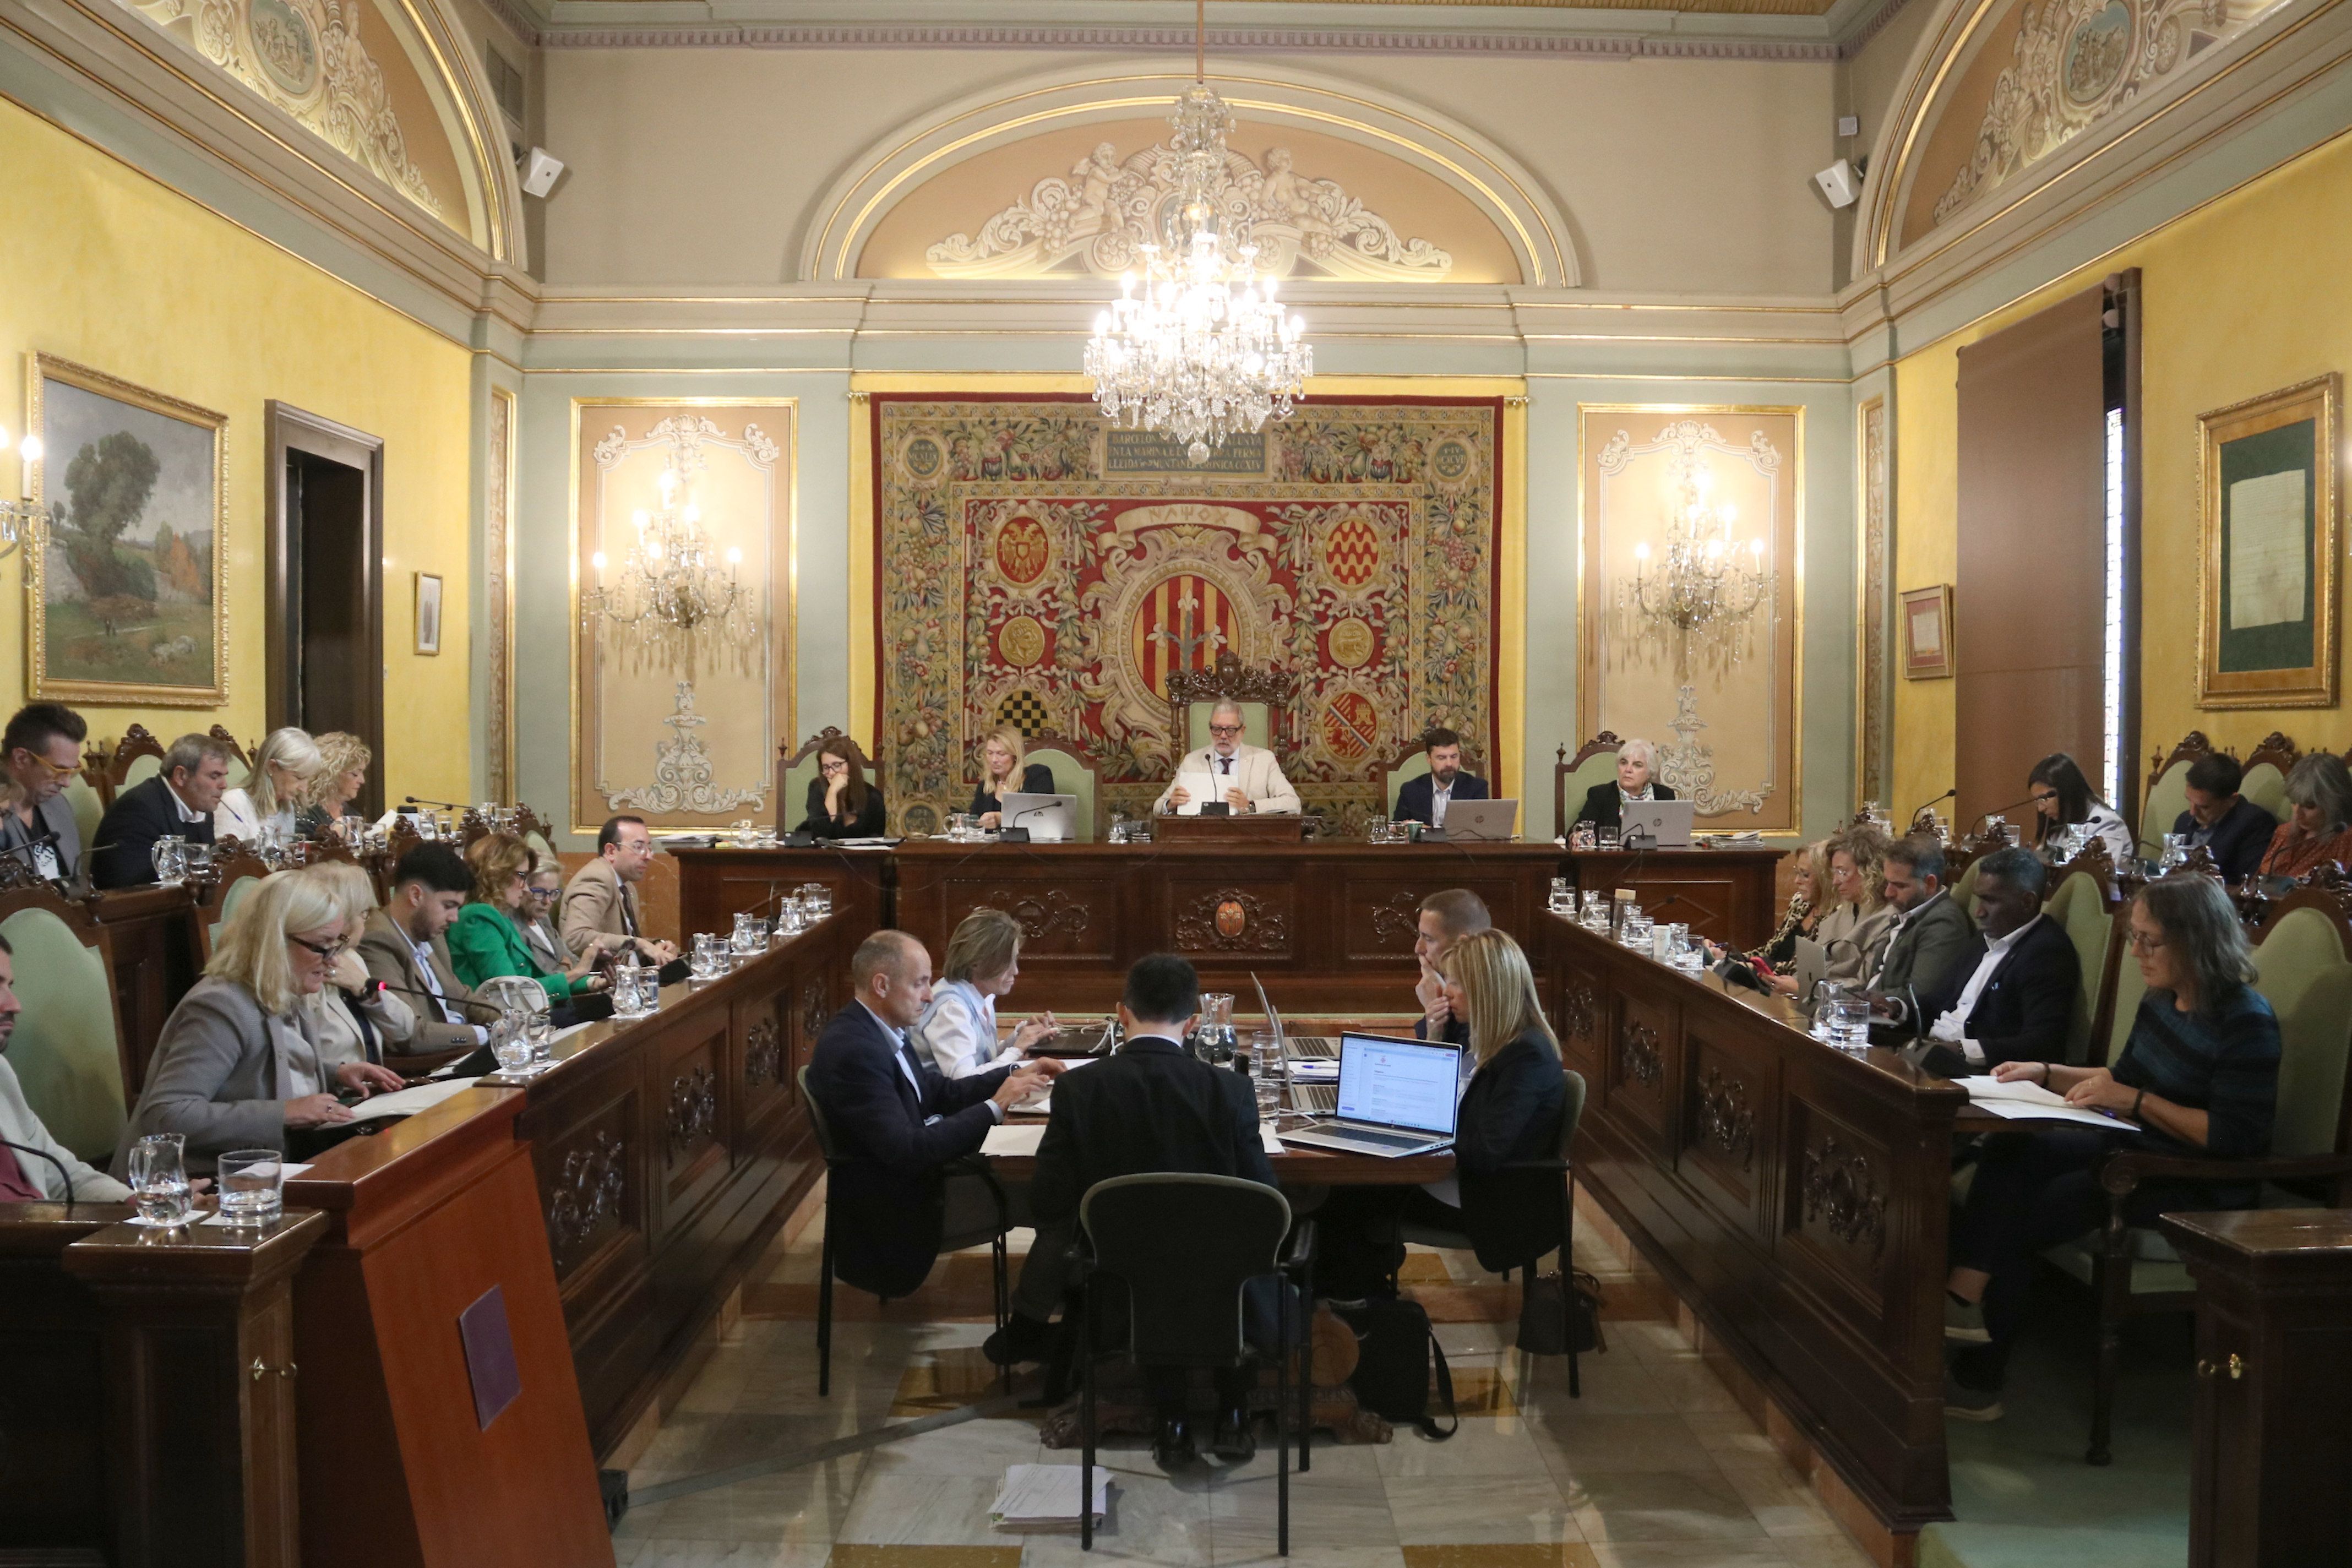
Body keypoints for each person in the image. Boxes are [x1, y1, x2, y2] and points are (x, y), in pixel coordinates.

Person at [1942, 874, 2280, 1419]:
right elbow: (2121, 1078)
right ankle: (1964, 1298)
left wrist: (2136, 1101)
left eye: (2151, 940)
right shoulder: (2163, 999)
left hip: (2198, 1178)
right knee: (2014, 1150)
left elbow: (2233, 1139)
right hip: (2138, 1148)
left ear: (2197, 939)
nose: (2138, 953)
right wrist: (2047, 1071)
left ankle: (1980, 1374)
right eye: (2134, 938)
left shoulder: (2246, 1021)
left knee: (2031, 1206)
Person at [986, 952, 1281, 1466]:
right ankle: (1234, 1415)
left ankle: (1172, 1423)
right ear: (1193, 1023)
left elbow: (1050, 1198)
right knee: (1227, 1256)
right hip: (1220, 1275)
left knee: (1157, 1266)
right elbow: (1261, 1195)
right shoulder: (1230, 1090)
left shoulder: (1079, 1089)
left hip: (1117, 1271)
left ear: (1122, 1014)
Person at [804, 930, 1059, 1301]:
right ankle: (1043, 1315)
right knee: (1055, 1196)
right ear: (882, 984)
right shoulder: (854, 1051)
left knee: (1051, 1174)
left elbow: (938, 1091)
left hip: (928, 1171)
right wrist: (995, 1107)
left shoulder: (879, 1028)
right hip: (905, 1205)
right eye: (921, 983)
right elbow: (908, 1150)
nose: (929, 994)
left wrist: (1012, 1074)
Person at [1318, 930, 1569, 1302]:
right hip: (1455, 1177)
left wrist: (1416, 1132)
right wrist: (1434, 1032)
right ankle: (1353, 1293)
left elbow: (1485, 1152)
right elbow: (1433, 1084)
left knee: (1343, 1201)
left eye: (1455, 984)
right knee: (1340, 1192)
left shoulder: (1527, 1056)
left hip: (1489, 1199)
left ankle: (1352, 1311)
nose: (1446, 992)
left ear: (1488, 991)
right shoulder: (1480, 1030)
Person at [115, 868, 405, 1175]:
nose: (333, 960)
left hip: (272, 1167)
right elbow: (166, 1115)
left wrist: (337, 1073)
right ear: (276, 940)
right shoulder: (220, 1005)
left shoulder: (287, 984)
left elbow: (255, 1072)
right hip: (202, 1183)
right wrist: (283, 1113)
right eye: (322, 946)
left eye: (338, 944)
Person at [1901, 847, 2079, 1075]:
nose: (1978, 912)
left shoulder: (2046, 952)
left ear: (2027, 902)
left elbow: (2044, 1044)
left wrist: (1962, 1049)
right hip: (1932, 1048)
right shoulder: (1983, 940)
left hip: (1980, 1073)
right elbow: (1937, 1001)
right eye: (1979, 899)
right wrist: (1898, 1008)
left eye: (1990, 901)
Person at [0, 933, 132, 1202]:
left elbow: (62, 1175)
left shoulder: (2, 1073)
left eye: (9, 986)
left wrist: (137, 1204)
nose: (15, 1005)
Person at [357, 842, 496, 1054]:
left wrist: (510, 1020)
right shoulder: (377, 941)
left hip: (462, 1051)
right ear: (415, 896)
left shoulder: (430, 933)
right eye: (448, 906)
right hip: (433, 1064)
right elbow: (412, 1034)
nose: (455, 918)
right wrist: (483, 1035)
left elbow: (461, 996)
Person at [451, 834, 617, 1000]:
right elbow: (511, 993)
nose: (525, 889)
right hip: (505, 1021)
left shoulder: (500, 916)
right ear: (498, 873)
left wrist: (594, 983)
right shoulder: (479, 917)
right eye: (522, 877)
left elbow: (535, 980)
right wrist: (579, 971)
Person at [911, 909, 1059, 1078]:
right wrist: (1017, 1050)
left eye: (1015, 959)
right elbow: (965, 1082)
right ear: (976, 962)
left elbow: (982, 1058)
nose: (1015, 971)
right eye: (1006, 962)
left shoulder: (982, 995)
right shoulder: (951, 1009)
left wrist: (1022, 1036)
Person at [302, 862, 417, 1071]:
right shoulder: (306, 970)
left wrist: (365, 988)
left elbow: (405, 1029)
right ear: (341, 917)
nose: (368, 921)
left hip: (375, 1089)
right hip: (336, 1096)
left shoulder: (352, 958)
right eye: (365, 913)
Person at [90, 732, 230, 889]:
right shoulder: (136, 809)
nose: (224, 785)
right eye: (215, 776)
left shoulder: (202, 807)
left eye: (224, 776)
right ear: (181, 776)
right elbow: (126, 887)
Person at [1868, 835, 1978, 1030]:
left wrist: (1865, 1001)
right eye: (1888, 883)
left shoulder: (1944, 923)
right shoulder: (1909, 911)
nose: (1888, 893)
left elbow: (1920, 995)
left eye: (1900, 885)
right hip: (1871, 1016)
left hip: (1897, 1031)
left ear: (1930, 884)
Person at [1707, 839, 1830, 987]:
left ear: (1827, 878)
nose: (1797, 881)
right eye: (1797, 873)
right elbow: (1768, 952)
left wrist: (1752, 967)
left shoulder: (1835, 917)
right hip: (1768, 983)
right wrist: (1726, 957)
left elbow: (1803, 971)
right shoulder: (1800, 903)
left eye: (1805, 875)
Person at [1796, 825, 1896, 1005]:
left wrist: (1803, 987)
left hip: (1847, 1007)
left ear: (1870, 871)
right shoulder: (1847, 908)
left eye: (1843, 872)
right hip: (1814, 997)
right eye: (1834, 872)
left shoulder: (1888, 918)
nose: (1835, 881)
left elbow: (1864, 986)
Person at [561, 815, 679, 965]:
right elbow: (575, 938)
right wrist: (639, 944)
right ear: (611, 851)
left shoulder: (626, 886)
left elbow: (624, 942)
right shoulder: (595, 879)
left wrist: (657, 945)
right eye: (638, 847)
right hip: (597, 981)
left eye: (649, 848)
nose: (648, 856)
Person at [1155, 701, 1302, 815]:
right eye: (1217, 729)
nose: (1223, 736)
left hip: (1251, 842)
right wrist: (1170, 804)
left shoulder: (1264, 760)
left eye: (1231, 730)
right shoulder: (1192, 761)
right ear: (1210, 729)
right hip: (1203, 842)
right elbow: (1158, 807)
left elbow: (1293, 804)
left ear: (1242, 731)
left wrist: (1251, 806)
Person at [0, 702, 87, 886]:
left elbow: (78, 885)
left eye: (72, 771)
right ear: (21, 759)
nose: (66, 783)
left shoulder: (59, 805)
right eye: (58, 770)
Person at [214, 727, 325, 847]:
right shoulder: (233, 804)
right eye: (298, 778)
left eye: (307, 779)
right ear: (272, 767)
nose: (304, 789)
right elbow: (227, 861)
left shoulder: (287, 808)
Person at [1412, 888, 1491, 1047]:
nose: (1418, 948)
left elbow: (1456, 1069)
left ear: (1461, 943)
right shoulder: (1449, 990)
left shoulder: (1485, 1003)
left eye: (1429, 939)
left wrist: (1436, 1009)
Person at [2027, 753, 2135, 864]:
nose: (2040, 809)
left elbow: (2099, 874)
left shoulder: (2105, 823)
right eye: (2037, 801)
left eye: (2044, 799)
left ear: (2067, 791)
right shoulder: (2059, 824)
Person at [2257, 753, 2352, 879]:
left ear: (2334, 803)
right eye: (2294, 802)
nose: (2297, 814)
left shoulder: (2346, 841)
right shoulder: (2283, 832)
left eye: (2309, 806)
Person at [1392, 727, 1489, 829]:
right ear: (1429, 759)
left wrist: (1426, 830)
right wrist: (1403, 828)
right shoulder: (1411, 791)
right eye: (1441, 758)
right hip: (1422, 845)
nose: (1449, 764)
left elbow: (1480, 830)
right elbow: (1396, 828)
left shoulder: (1476, 788)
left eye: (1454, 757)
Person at [1575, 738, 1676, 834]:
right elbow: (1577, 830)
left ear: (1650, 772)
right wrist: (1577, 836)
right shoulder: (1600, 795)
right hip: (1612, 853)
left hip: (1654, 853)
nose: (1628, 770)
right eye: (1623, 763)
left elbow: (1673, 834)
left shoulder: (1665, 795)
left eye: (1637, 765)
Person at [968, 726, 1055, 831]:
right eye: (990, 753)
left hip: (1031, 846)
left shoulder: (1038, 775)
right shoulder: (984, 785)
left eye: (1001, 754)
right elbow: (974, 824)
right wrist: (968, 823)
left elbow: (1043, 817)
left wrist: (1002, 818)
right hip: (991, 846)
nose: (994, 760)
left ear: (1015, 756)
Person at [798, 744, 889, 837]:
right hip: (824, 852)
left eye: (837, 765)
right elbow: (821, 833)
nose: (831, 773)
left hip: (860, 852)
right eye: (826, 767)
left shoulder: (873, 796)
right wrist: (832, 792)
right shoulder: (817, 788)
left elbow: (877, 838)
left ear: (851, 765)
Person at [294, 732, 372, 840]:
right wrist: (335, 835)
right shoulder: (304, 814)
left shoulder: (353, 815)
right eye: (355, 774)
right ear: (332, 775)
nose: (362, 781)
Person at [519, 862, 574, 975]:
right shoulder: (513, 927)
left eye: (553, 893)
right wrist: (564, 967)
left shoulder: (543, 919)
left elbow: (572, 959)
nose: (547, 901)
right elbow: (540, 979)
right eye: (539, 892)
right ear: (522, 887)